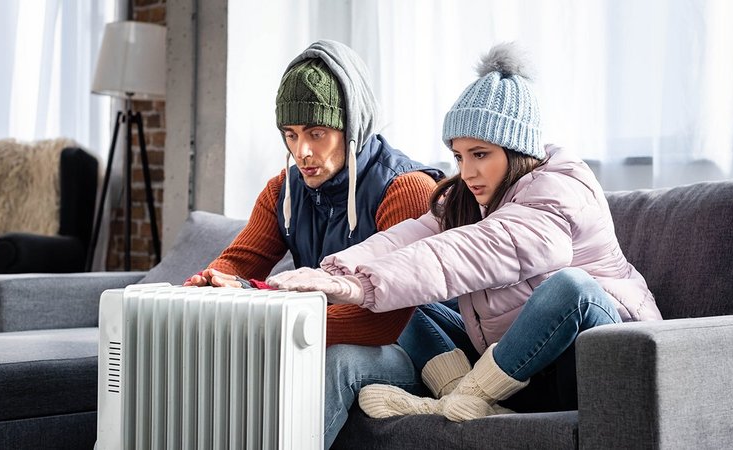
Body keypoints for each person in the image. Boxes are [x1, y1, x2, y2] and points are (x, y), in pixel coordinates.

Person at [267, 42, 663, 422]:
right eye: (459, 156)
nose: (467, 171)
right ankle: (463, 400)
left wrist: (361, 287)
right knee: (406, 298)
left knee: (572, 288)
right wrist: (336, 273)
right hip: (517, 369)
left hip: (591, 357)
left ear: (518, 150)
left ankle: (464, 399)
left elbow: (467, 252)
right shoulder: (473, 196)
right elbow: (410, 237)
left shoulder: (558, 191)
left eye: (480, 155)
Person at [183, 40, 445, 447]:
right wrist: (211, 284)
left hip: (415, 348)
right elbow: (238, 263)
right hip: (314, 332)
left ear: (351, 126)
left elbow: (386, 321)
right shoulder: (283, 191)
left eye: (317, 133)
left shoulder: (406, 188)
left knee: (337, 360)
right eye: (291, 135)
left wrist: (273, 322)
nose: (301, 151)